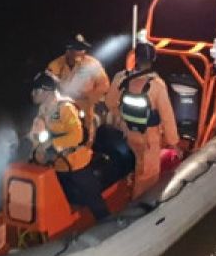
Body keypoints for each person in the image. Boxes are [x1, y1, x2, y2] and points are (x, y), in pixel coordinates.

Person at [28, 71, 110, 221]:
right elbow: (36, 133)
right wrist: (36, 149)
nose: (33, 94)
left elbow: (76, 135)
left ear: (46, 91)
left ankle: (105, 221)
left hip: (76, 163)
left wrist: (51, 145)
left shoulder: (65, 108)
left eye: (36, 90)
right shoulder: (43, 110)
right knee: (68, 197)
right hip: (58, 166)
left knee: (93, 198)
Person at [109, 41, 180, 199]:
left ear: (136, 58)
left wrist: (122, 119)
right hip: (148, 138)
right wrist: (173, 143)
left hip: (127, 132)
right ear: (153, 59)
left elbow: (110, 102)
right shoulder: (157, 86)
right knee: (148, 175)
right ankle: (139, 203)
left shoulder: (120, 78)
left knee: (135, 161)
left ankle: (129, 181)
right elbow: (167, 117)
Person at [46, 34, 110, 133]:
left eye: (83, 49)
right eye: (78, 49)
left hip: (85, 111)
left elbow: (104, 84)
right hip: (62, 111)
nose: (82, 52)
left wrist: (89, 96)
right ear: (68, 50)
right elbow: (47, 87)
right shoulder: (55, 65)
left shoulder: (92, 64)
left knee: (85, 137)